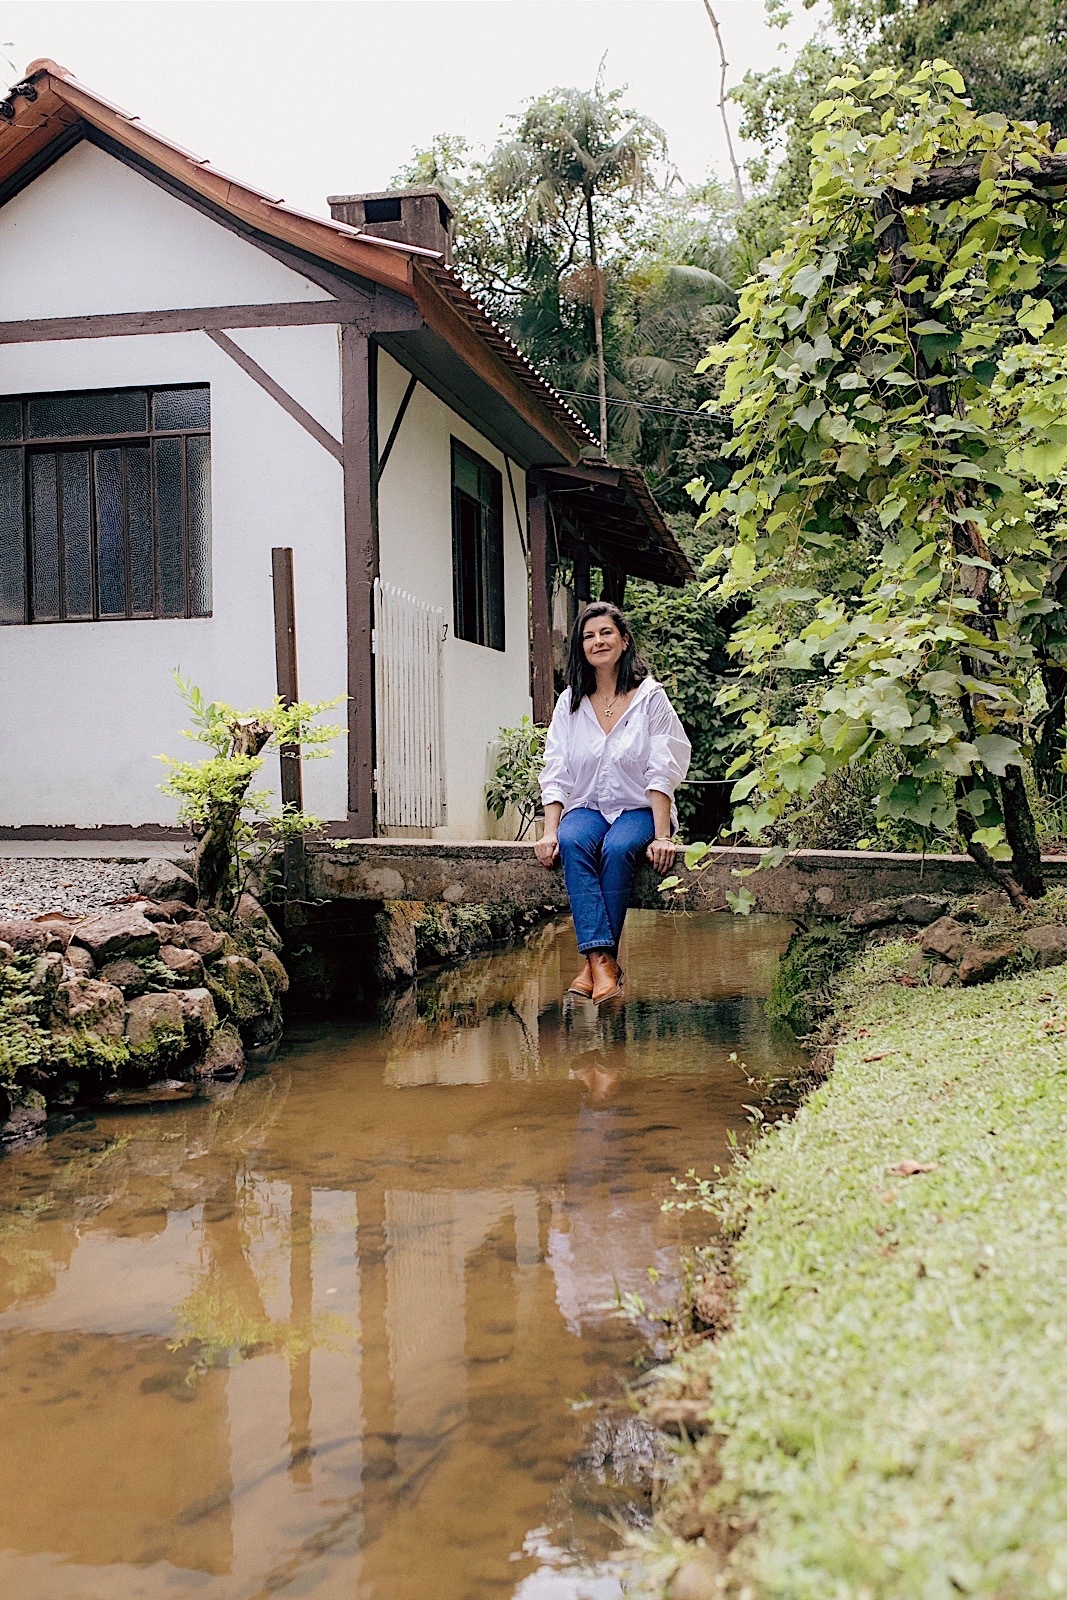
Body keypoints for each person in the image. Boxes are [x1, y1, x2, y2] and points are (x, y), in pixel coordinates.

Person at [534, 600, 691, 1003]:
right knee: (573, 842)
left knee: (619, 848)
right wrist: (549, 831)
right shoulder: (570, 702)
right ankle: (604, 963)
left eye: (606, 633)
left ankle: (594, 965)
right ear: (580, 648)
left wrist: (662, 835)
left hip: (640, 808)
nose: (598, 641)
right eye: (588, 636)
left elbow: (663, 766)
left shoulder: (650, 698)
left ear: (623, 640)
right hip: (588, 806)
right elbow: (556, 769)